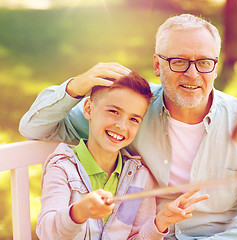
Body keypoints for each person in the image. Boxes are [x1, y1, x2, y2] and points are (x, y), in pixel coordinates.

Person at [20, 14, 237, 239]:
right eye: (179, 61)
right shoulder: (131, 111)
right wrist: (74, 88)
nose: (192, 74)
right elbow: (34, 127)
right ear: (157, 65)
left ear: (215, 68)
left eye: (204, 63)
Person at [36, 72, 209, 239]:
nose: (121, 126)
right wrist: (79, 212)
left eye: (133, 119)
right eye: (113, 111)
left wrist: (159, 223)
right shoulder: (62, 168)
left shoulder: (140, 179)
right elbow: (47, 232)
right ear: (89, 109)